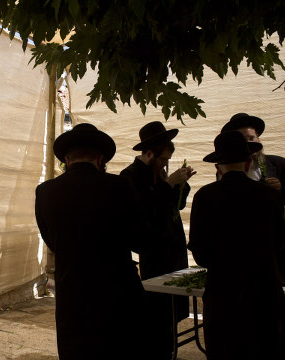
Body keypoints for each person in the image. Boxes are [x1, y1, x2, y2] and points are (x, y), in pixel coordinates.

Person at [35, 123, 150, 360]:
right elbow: (141, 240)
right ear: (100, 159)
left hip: (71, 292)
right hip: (116, 292)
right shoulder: (119, 186)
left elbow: (52, 241)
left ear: (66, 159)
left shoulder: (45, 191)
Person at [188, 131, 285, 360]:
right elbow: (281, 243)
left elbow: (201, 254)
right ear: (248, 162)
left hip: (224, 295)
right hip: (264, 292)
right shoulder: (269, 195)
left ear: (218, 167)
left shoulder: (205, 196)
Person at [120, 121, 196, 359]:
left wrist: (180, 185)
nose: (165, 164)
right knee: (159, 304)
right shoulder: (129, 176)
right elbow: (142, 211)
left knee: (175, 304)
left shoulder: (160, 172)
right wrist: (169, 184)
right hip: (154, 249)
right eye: (163, 159)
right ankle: (159, 348)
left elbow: (175, 204)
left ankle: (168, 341)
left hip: (173, 244)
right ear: (149, 153)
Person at [221, 112, 285, 205]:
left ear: (258, 139)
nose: (249, 143)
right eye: (243, 140)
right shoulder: (227, 167)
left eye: (251, 138)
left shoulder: (277, 163)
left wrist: (279, 189)